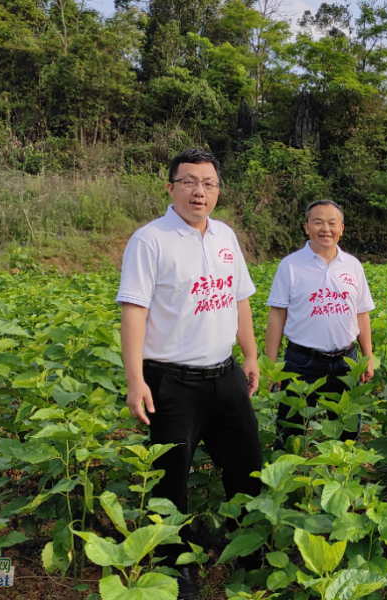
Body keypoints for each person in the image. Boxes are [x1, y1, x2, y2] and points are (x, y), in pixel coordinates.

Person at [116, 148, 263, 600]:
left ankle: (252, 556)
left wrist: (251, 355)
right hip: (171, 381)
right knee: (168, 478)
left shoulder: (225, 236)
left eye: (209, 183)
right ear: (171, 187)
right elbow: (134, 311)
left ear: (218, 190)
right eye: (190, 182)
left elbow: (240, 299)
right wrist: (136, 378)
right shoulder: (150, 240)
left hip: (225, 376)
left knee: (247, 469)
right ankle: (173, 569)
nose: (200, 191)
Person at [265, 199, 375, 449]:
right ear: (306, 227)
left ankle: (343, 477)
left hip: (346, 361)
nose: (325, 229)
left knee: (347, 430)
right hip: (302, 361)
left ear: (342, 229)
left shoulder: (353, 266)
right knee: (290, 430)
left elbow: (362, 314)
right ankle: (288, 482)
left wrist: (367, 356)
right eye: (318, 222)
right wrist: (271, 365)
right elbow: (277, 315)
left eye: (332, 223)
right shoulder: (290, 265)